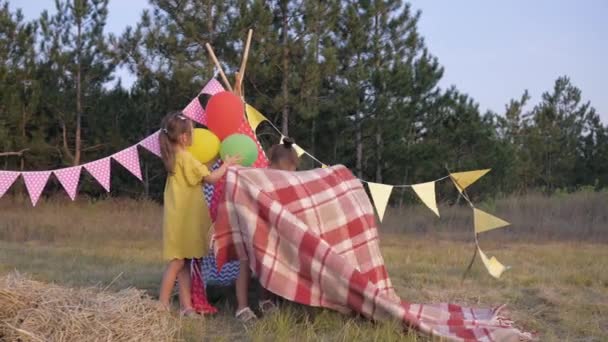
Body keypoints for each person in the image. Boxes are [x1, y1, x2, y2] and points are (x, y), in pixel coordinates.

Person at [158, 112, 240, 316]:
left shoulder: (173, 157)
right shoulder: (186, 158)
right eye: (192, 132)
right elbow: (211, 178)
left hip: (179, 218)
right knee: (177, 262)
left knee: (185, 262)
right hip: (184, 220)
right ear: (184, 138)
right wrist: (227, 165)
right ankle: (161, 305)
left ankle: (186, 307)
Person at [235, 137, 300, 323]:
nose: (289, 174)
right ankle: (242, 307)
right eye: (286, 169)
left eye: (292, 170)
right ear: (273, 164)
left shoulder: (290, 178)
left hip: (272, 229)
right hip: (249, 227)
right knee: (245, 263)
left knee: (271, 265)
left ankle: (266, 300)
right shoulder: (259, 176)